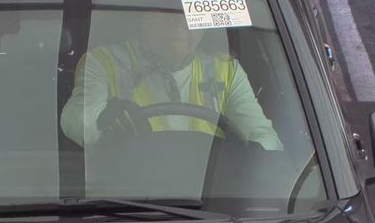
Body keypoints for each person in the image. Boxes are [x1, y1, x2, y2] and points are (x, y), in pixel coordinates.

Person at [60, 10, 282, 150]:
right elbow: (76, 122)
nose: (179, 27)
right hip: (125, 198)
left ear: (202, 29)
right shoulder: (104, 62)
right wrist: (103, 118)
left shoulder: (225, 69)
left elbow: (263, 137)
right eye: (168, 15)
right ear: (144, 22)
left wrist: (250, 155)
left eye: (188, 17)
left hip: (211, 198)